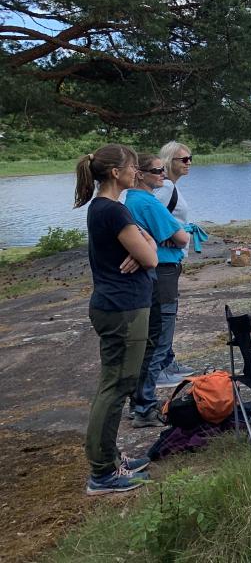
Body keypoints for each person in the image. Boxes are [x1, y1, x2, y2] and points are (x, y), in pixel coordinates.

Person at [74, 145, 159, 495]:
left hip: (117, 305)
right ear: (115, 172)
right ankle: (102, 473)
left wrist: (145, 245)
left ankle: (109, 458)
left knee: (115, 383)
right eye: (132, 166)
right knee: (116, 387)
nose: (136, 171)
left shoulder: (104, 208)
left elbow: (146, 246)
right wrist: (146, 247)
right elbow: (152, 257)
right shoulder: (112, 211)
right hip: (123, 309)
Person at [124, 153, 189, 428]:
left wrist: (168, 238)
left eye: (163, 170)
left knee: (148, 341)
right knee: (158, 342)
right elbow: (181, 237)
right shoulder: (148, 203)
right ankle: (144, 408)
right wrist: (179, 235)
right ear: (140, 174)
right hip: (163, 274)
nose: (163, 175)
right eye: (157, 171)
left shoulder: (130, 200)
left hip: (149, 274)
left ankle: (138, 402)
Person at [151, 140, 197, 387]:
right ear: (170, 161)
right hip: (163, 261)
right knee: (165, 313)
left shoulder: (170, 186)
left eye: (190, 158)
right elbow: (149, 217)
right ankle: (158, 369)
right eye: (184, 159)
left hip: (170, 258)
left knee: (167, 312)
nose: (189, 163)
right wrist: (168, 237)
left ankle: (168, 362)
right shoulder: (166, 187)